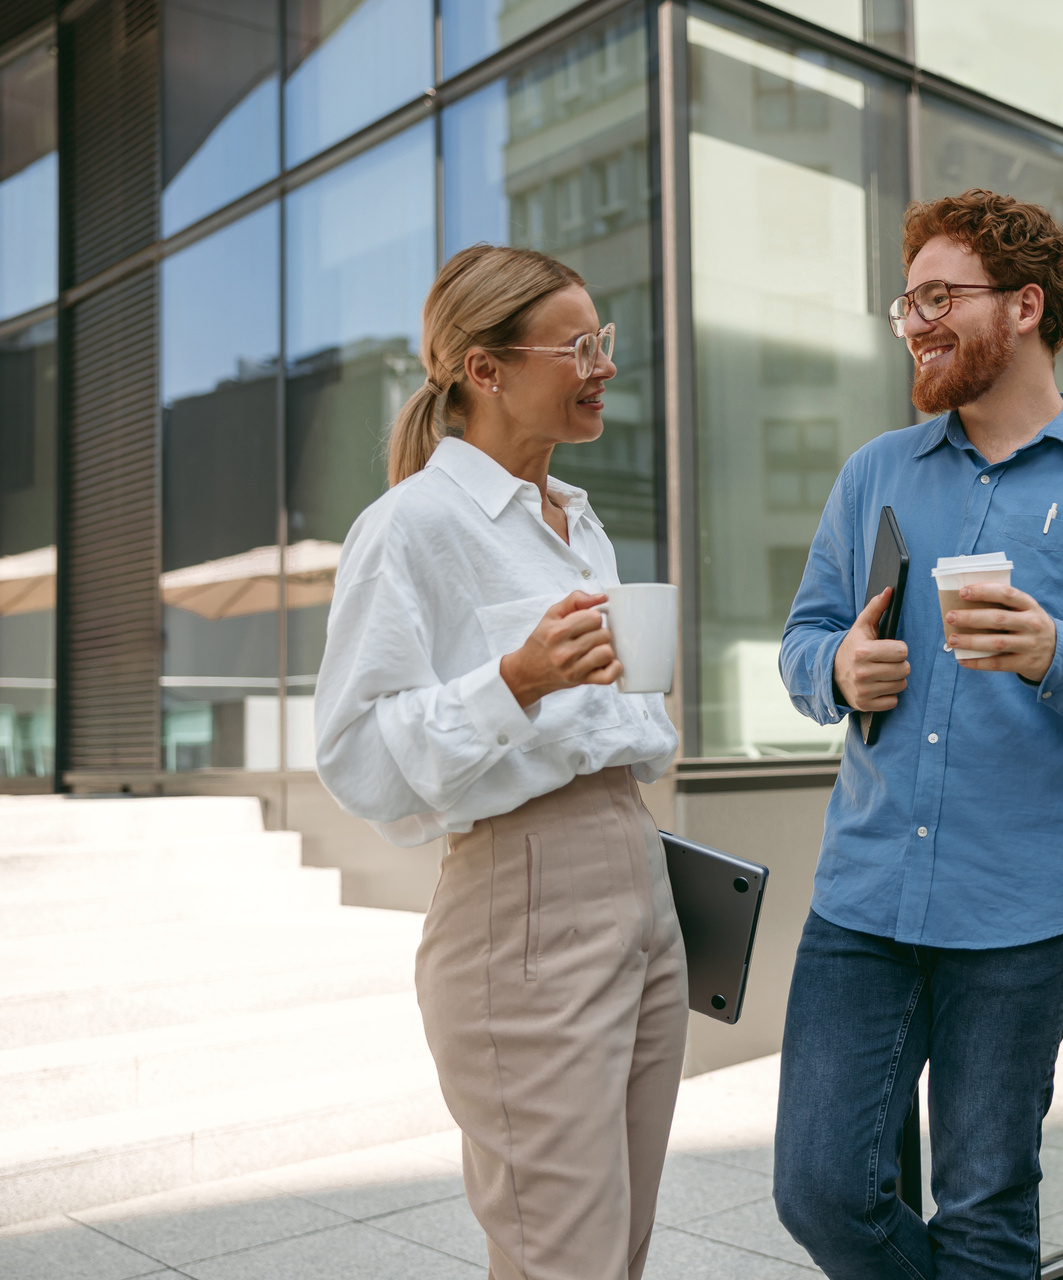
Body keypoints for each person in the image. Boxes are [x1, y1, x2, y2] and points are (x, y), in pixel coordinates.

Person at [771, 189, 1063, 1278]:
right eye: (905, 302)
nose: (916, 319)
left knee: (984, 1208)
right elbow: (804, 640)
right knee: (821, 1187)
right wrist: (836, 665)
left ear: (1025, 306)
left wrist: (1054, 652)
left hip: (1022, 908)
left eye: (940, 295)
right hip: (864, 893)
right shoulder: (875, 473)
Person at [314, 244, 686, 1280]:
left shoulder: (578, 520)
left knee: (617, 1247)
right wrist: (513, 680)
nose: (602, 362)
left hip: (637, 872)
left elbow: (609, 724)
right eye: (577, 344)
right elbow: (354, 756)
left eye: (600, 339)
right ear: (486, 369)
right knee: (565, 1252)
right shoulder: (411, 528)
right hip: (520, 898)